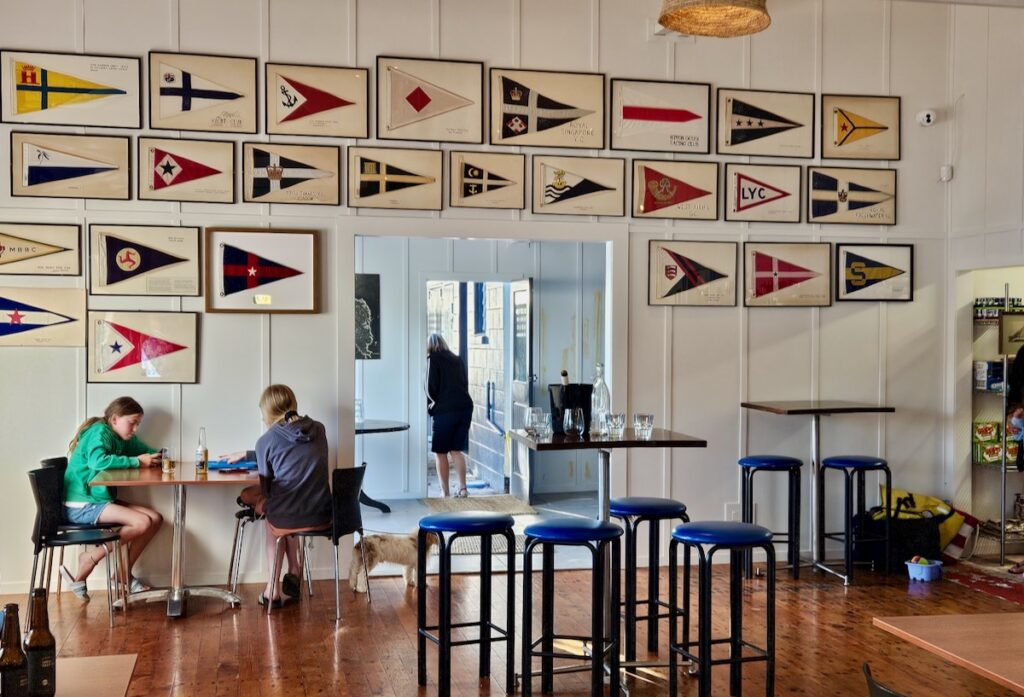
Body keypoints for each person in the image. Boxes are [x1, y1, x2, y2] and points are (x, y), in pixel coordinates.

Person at [227, 384, 332, 607]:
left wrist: (260, 503)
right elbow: (292, 449)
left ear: (266, 411)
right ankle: (294, 568)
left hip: (289, 515)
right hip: (324, 514)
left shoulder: (266, 441)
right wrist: (248, 454)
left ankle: (271, 590)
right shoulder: (319, 429)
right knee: (284, 507)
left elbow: (267, 490)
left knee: (272, 515)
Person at [61, 397, 164, 598]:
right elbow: (97, 461)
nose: (135, 429)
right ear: (115, 419)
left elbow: (144, 451)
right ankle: (90, 557)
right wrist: (137, 462)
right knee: (142, 522)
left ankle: (122, 574)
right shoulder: (100, 432)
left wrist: (162, 456)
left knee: (156, 519)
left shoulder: (121, 438)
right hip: (82, 503)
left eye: (138, 424)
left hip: (97, 500)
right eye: (132, 423)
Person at [426, 333, 474, 498]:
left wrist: (431, 406)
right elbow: (464, 383)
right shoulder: (457, 359)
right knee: (456, 450)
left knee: (440, 452)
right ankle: (463, 489)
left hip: (445, 410)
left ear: (429, 346)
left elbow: (429, 388)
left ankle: (445, 492)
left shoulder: (432, 359)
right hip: (465, 407)